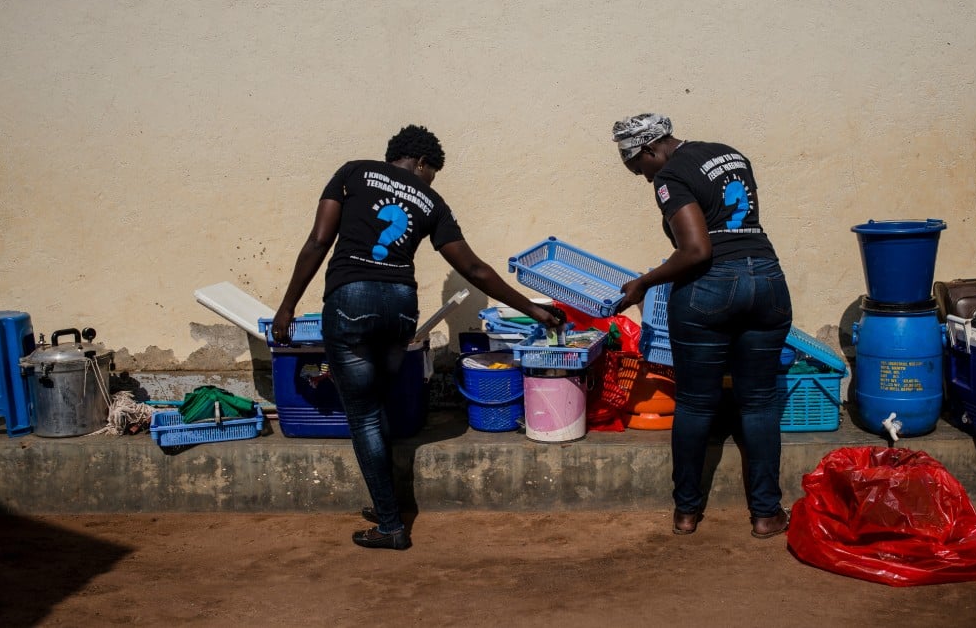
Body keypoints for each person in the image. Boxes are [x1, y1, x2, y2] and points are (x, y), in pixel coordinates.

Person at [271, 124, 563, 550]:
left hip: (351, 298)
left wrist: (287, 305)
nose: (428, 179)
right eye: (432, 171)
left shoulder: (353, 171)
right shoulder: (432, 200)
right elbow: (476, 269)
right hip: (401, 306)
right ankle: (385, 501)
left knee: (364, 415)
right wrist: (534, 309)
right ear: (423, 162)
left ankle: (390, 525)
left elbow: (319, 240)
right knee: (379, 402)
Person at [611, 113, 793, 539]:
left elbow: (696, 250)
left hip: (711, 288)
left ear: (649, 150)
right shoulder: (731, 154)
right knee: (760, 402)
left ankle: (686, 513)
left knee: (695, 404)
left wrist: (644, 282)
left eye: (639, 168)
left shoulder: (669, 176)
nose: (644, 178)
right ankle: (766, 514)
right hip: (768, 280)